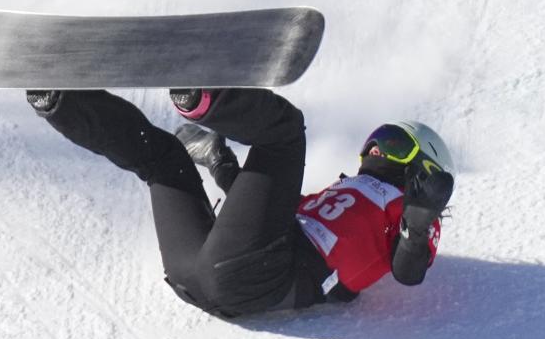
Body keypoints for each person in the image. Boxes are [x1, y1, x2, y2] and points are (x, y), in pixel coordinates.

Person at [25, 87, 455, 318]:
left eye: (395, 145)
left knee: (286, 131)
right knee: (163, 159)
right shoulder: (344, 192)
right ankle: (61, 102)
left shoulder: (411, 210)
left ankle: (204, 97)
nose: (378, 150)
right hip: (196, 273)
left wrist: (419, 216)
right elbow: (268, 204)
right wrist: (222, 164)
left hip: (264, 275)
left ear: (424, 169)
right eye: (375, 141)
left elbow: (409, 272)